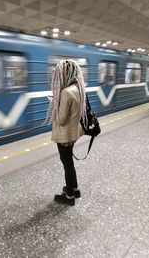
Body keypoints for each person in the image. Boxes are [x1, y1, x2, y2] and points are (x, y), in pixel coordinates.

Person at [45, 60, 87, 206]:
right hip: (74, 132)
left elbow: (61, 119)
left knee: (67, 164)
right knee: (69, 163)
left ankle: (69, 196)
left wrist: (53, 103)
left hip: (64, 135)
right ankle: (74, 189)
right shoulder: (79, 88)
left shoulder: (66, 92)